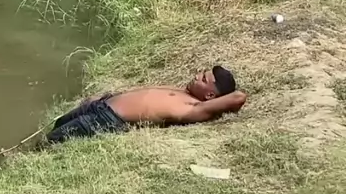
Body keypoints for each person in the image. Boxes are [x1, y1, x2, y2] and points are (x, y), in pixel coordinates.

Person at [46, 65, 246, 145]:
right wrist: (103, 98)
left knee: (51, 141)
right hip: (101, 105)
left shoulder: (194, 107)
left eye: (203, 79)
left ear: (210, 95)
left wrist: (221, 102)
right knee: (57, 125)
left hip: (107, 119)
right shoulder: (182, 92)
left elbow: (238, 97)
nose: (196, 76)